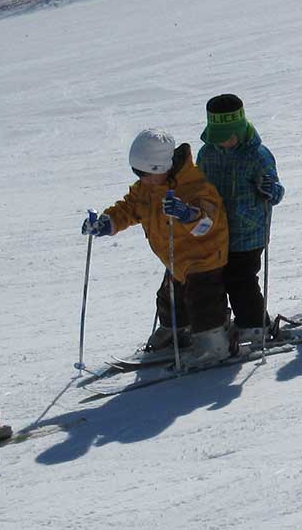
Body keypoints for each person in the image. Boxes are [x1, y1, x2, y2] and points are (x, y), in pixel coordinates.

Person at [83, 128, 233, 367]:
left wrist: (187, 214)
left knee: (202, 298)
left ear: (161, 168)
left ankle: (212, 343)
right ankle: (176, 330)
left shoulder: (194, 185)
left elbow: (209, 222)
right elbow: (128, 208)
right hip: (176, 259)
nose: (140, 178)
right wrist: (107, 222)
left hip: (205, 256)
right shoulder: (146, 188)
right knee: (169, 297)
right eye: (136, 172)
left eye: (143, 173)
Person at [196, 95, 283, 350]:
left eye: (228, 135)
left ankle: (253, 325)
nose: (223, 141)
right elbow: (198, 185)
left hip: (248, 232)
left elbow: (276, 192)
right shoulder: (207, 153)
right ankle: (226, 322)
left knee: (241, 279)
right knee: (216, 279)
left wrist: (270, 190)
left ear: (241, 129)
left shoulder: (258, 155)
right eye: (218, 135)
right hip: (215, 230)